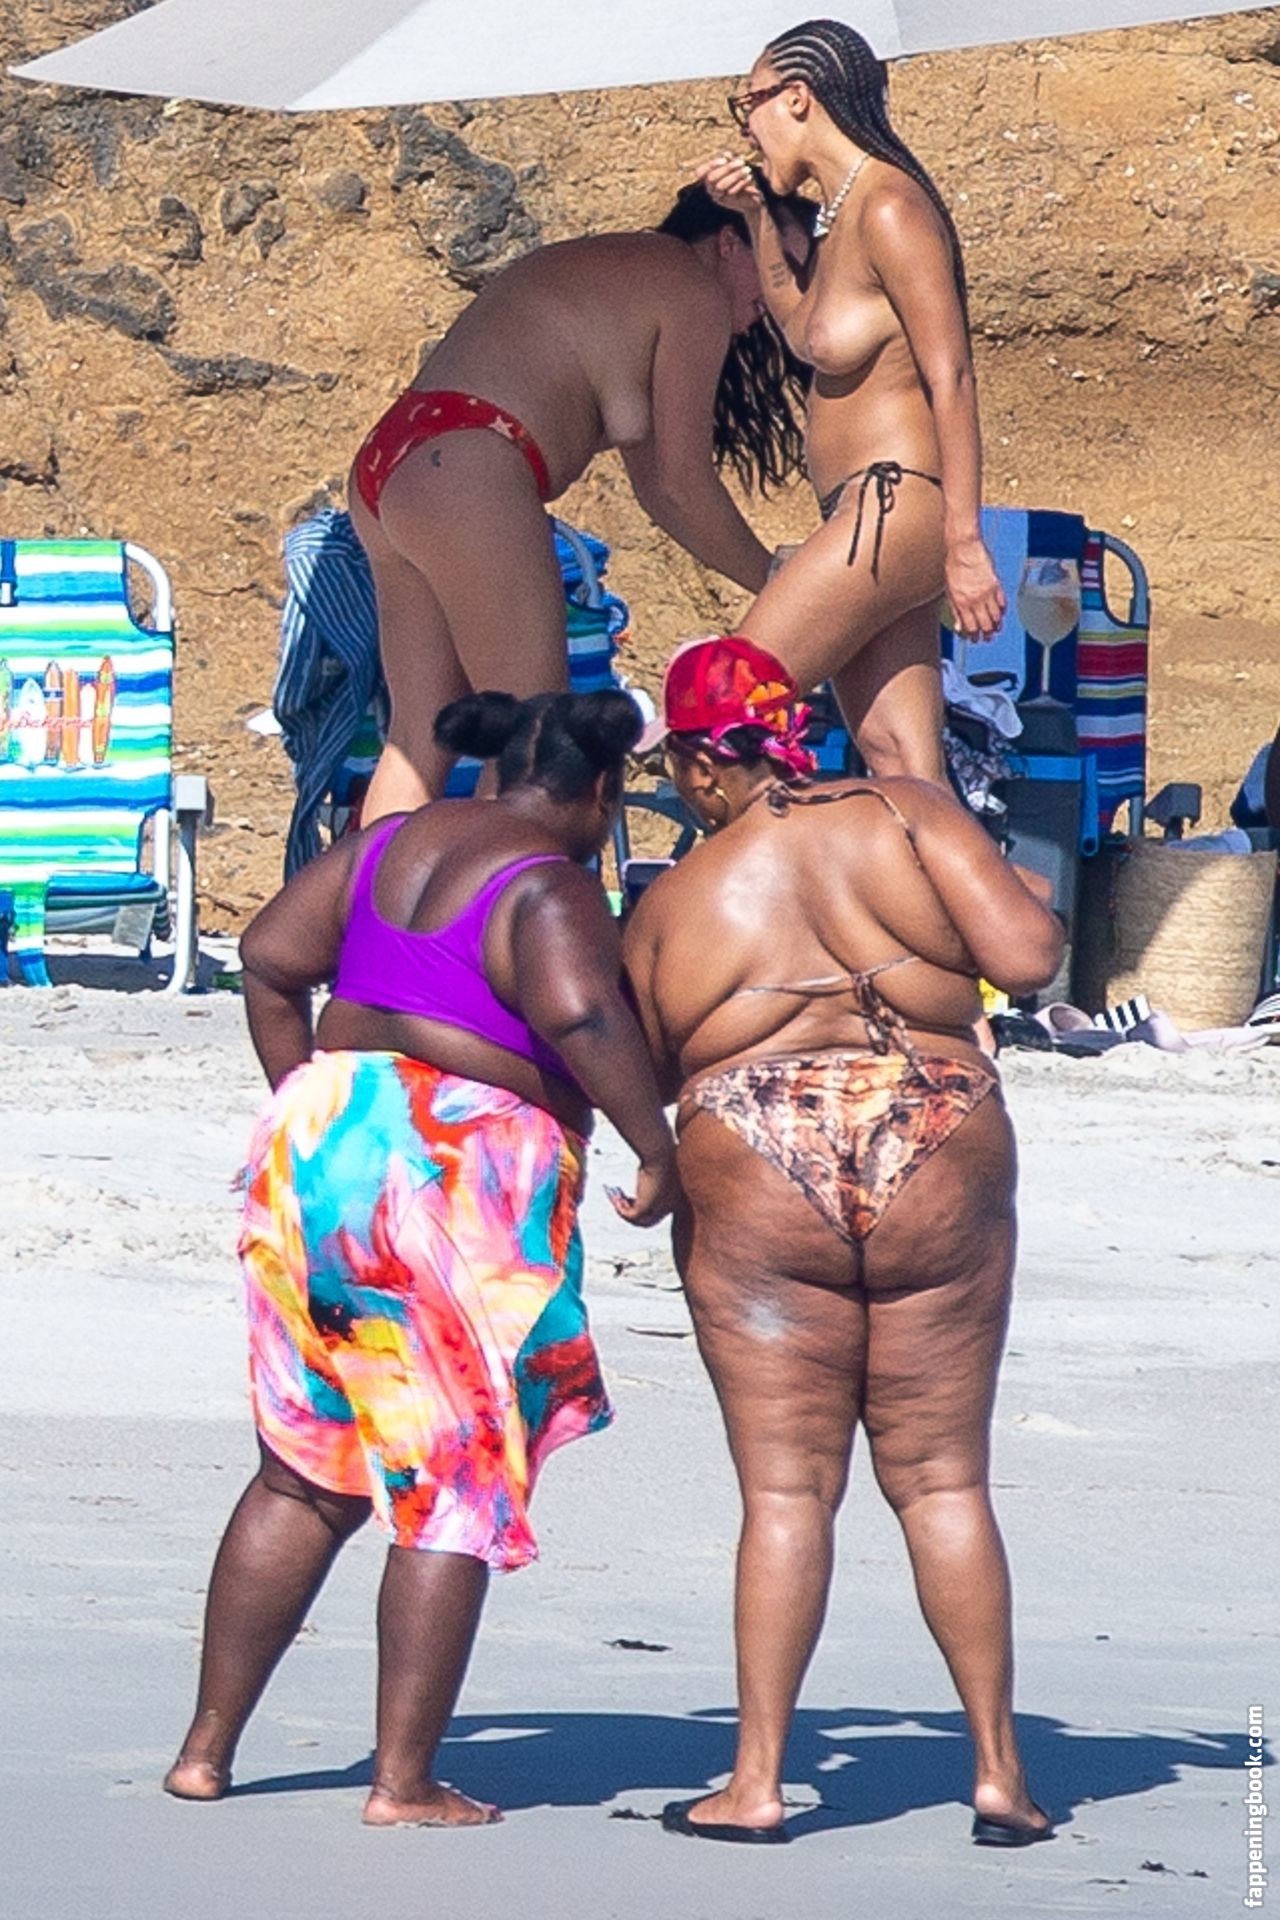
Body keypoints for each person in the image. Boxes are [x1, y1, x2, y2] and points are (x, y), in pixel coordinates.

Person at [166, 690, 677, 1828]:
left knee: (302, 1469)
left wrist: (316, 1100)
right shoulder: (548, 880)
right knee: (453, 1476)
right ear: (597, 791)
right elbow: (582, 1017)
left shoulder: (386, 841)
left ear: (497, 768)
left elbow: (266, 959)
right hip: (455, 1169)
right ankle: (402, 1783)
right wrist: (655, 1148)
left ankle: (205, 1751)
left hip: (321, 1139)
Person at [624, 637, 1063, 1846]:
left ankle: (755, 1782)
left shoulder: (673, 900)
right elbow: (1028, 960)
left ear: (704, 762)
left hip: (753, 1144)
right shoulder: (905, 813)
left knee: (784, 1489)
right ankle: (998, 1774)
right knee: (943, 1479)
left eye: (676, 773)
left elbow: (641, 1069)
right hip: (933, 1119)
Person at [349, 183, 815, 820]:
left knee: (419, 736)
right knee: (532, 737)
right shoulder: (693, 290)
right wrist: (777, 580)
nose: (789, 291)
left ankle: (378, 888)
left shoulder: (635, 279)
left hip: (399, 462)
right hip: (468, 462)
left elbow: (662, 492)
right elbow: (683, 483)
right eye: (782, 263)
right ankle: (493, 887)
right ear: (731, 242)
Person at [698, 18, 1005, 786]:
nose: (747, 129)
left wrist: (965, 541)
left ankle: (772, 865)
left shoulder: (890, 208)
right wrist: (756, 217)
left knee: (722, 706)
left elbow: (951, 375)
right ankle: (958, 872)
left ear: (797, 98)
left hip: (893, 504)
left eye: (748, 105)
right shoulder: (841, 215)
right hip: (865, 510)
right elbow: (802, 327)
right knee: (903, 767)